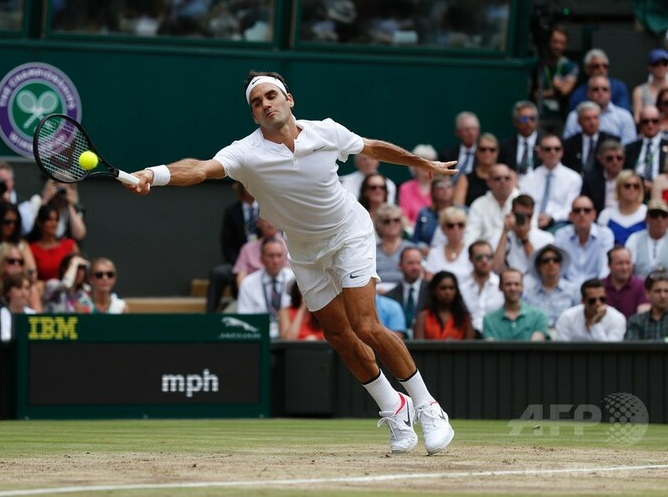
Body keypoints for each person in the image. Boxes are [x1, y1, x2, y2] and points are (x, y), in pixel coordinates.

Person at [126, 70, 457, 455]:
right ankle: (394, 406)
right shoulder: (245, 153)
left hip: (349, 233)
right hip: (303, 250)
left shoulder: (326, 131)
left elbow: (371, 148)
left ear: (289, 99)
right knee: (337, 335)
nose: (265, 104)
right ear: (253, 115)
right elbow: (199, 168)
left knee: (365, 324)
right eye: (256, 103)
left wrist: (423, 163)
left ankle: (427, 406)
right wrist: (153, 174)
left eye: (271, 96)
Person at [206, 182, 258, 312]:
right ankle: (209, 315)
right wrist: (240, 264)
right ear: (241, 189)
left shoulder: (267, 209)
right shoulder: (232, 212)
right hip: (237, 262)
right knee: (218, 273)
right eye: (247, 186)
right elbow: (227, 244)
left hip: (262, 261)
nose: (251, 190)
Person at [519, 134, 582, 231]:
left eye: (557, 149)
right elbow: (524, 206)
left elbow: (570, 208)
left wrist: (551, 218)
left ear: (562, 152)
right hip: (531, 224)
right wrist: (535, 220)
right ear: (539, 152)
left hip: (560, 225)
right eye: (548, 149)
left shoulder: (574, 178)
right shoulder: (528, 178)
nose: (553, 152)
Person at [237, 237, 296, 339]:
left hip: (289, 336)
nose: (276, 261)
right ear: (261, 259)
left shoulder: (294, 280)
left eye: (279, 255)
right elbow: (244, 317)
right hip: (258, 336)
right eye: (271, 256)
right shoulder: (248, 283)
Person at [554, 196, 615, 285]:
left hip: (596, 288)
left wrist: (598, 288)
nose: (582, 214)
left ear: (594, 214)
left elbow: (604, 270)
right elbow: (559, 270)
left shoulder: (605, 235)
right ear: (570, 216)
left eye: (587, 210)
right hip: (567, 289)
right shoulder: (561, 235)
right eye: (577, 210)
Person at [563, 75, 636, 146]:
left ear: (610, 93)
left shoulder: (624, 116)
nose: (600, 92)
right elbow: (568, 145)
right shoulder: (575, 116)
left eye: (605, 89)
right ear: (588, 93)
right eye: (595, 89)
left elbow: (629, 146)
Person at [531, 24, 579, 131]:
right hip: (539, 117)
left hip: (561, 117)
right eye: (555, 42)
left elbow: (564, 91)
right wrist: (554, 91)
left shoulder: (570, 66)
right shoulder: (538, 64)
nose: (558, 46)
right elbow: (532, 93)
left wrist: (542, 93)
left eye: (562, 43)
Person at [492, 194, 554, 276]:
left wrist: (524, 239)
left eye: (528, 216)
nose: (525, 219)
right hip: (509, 281)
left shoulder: (546, 238)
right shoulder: (499, 236)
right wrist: (505, 232)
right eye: (520, 215)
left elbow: (541, 268)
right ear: (512, 213)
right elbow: (496, 268)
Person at [523, 244, 580, 331]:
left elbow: (579, 319)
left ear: (560, 264)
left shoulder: (573, 290)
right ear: (539, 266)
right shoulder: (529, 294)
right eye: (545, 261)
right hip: (538, 335)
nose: (551, 263)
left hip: (565, 335)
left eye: (555, 260)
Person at [482, 268, 549, 341]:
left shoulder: (539, 316)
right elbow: (491, 346)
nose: (513, 288)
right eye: (508, 284)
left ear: (522, 286)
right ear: (500, 287)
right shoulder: (489, 320)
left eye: (517, 284)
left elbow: (536, 346)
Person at [463, 163, 519, 249]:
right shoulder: (478, 205)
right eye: (497, 178)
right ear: (489, 182)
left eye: (507, 178)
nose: (503, 181)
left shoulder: (522, 201)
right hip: (486, 253)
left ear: (513, 180)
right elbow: (470, 237)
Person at [555, 279, 626, 341]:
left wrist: (595, 324)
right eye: (592, 300)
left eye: (602, 299)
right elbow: (562, 348)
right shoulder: (568, 317)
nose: (598, 304)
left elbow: (610, 350)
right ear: (583, 301)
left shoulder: (617, 318)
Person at [562, 101, 620, 175]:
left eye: (595, 118)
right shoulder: (569, 144)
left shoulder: (612, 141)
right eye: (587, 119)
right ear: (579, 121)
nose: (592, 122)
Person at [413, 271, 475, 340]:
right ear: (433, 290)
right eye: (443, 288)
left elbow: (470, 344)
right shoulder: (423, 317)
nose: (448, 292)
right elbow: (419, 344)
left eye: (451, 288)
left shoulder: (465, 319)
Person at [459, 240, 503, 335]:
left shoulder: (501, 286)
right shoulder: (461, 288)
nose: (484, 261)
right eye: (479, 257)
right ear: (470, 259)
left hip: (496, 336)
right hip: (468, 337)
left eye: (489, 257)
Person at [624, 105, 668, 199]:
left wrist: (655, 186)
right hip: (635, 193)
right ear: (640, 124)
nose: (650, 125)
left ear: (660, 122)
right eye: (645, 121)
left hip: (662, 195)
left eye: (654, 121)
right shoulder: (629, 149)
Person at [568, 48, 632, 113]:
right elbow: (575, 116)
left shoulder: (619, 87)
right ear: (587, 69)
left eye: (605, 66)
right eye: (596, 66)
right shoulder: (578, 94)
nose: (601, 69)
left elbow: (624, 112)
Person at [27, 205, 80, 281]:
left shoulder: (69, 245)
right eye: (49, 220)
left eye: (56, 220)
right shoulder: (32, 249)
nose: (54, 224)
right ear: (40, 222)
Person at [385, 246, 429, 336]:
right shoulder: (390, 296)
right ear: (400, 265)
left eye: (418, 263)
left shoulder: (433, 291)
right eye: (410, 263)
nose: (415, 267)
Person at [233, 218, 287, 288]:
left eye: (279, 255)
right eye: (266, 220)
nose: (270, 224)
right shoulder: (247, 249)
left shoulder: (290, 247)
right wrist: (245, 293)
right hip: (254, 290)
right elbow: (241, 277)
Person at [596, 170, 647, 246]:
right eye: (627, 186)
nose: (632, 189)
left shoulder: (647, 213)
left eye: (636, 186)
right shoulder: (606, 215)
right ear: (619, 188)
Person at [374, 204, 415, 293]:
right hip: (377, 294)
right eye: (387, 221)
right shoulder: (372, 250)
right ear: (379, 225)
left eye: (396, 220)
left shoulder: (411, 249)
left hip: (404, 293)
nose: (392, 224)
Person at [0, 242, 43, 311]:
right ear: (2, 262)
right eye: (12, 261)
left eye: (20, 261)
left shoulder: (30, 288)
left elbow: (37, 316)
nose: (17, 264)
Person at [425, 206, 472, 282]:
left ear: (465, 227)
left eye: (460, 225)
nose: (456, 229)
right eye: (450, 226)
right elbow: (429, 280)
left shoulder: (471, 252)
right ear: (443, 228)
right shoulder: (434, 253)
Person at [602, 246, 649, 319]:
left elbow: (643, 316)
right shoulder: (600, 287)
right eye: (620, 263)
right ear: (609, 265)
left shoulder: (641, 285)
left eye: (628, 263)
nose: (625, 268)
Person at [453, 132, 499, 207]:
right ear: (476, 151)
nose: (487, 153)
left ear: (497, 152)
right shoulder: (465, 179)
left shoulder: (508, 176)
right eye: (483, 149)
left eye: (492, 150)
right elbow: (458, 207)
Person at [411, 176, 456, 252]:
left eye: (449, 186)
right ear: (433, 191)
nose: (445, 190)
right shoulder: (424, 213)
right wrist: (422, 247)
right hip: (428, 255)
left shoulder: (463, 212)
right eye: (440, 187)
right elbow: (415, 240)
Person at [624, 199, 668, 277]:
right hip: (640, 283)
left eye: (663, 215)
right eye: (654, 215)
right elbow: (627, 269)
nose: (659, 219)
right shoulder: (635, 239)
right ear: (647, 218)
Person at [581, 140, 626, 214]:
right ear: (601, 159)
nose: (615, 162)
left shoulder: (632, 179)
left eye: (619, 158)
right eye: (609, 158)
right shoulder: (591, 180)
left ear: (624, 159)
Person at [498, 101, 540, 179]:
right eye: (523, 119)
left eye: (532, 118)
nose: (528, 122)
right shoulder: (505, 146)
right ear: (515, 122)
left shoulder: (545, 144)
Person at [398, 144, 436, 227]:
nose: (427, 167)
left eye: (430, 163)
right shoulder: (405, 188)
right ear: (414, 166)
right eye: (423, 164)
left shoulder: (438, 187)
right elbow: (403, 216)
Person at [625, 268, 668, 340]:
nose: (662, 296)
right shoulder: (636, 321)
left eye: (666, 291)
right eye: (657, 291)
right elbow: (632, 344)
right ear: (647, 293)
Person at [439, 111, 480, 183]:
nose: (471, 133)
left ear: (478, 131)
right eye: (467, 129)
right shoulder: (447, 155)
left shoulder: (484, 153)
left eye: (474, 129)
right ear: (458, 132)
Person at [0, 272, 36, 343]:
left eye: (26, 288)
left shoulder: (33, 314)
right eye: (19, 288)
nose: (24, 293)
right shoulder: (0, 315)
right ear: (8, 292)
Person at [632, 49, 668, 121]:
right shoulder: (639, 91)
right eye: (656, 64)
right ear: (649, 67)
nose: (661, 67)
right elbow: (637, 118)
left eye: (664, 63)